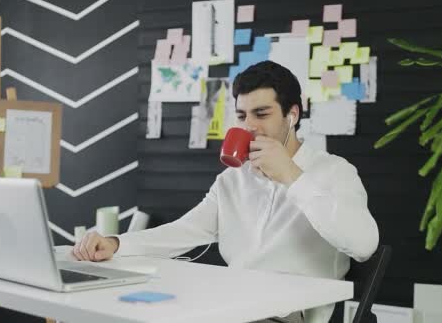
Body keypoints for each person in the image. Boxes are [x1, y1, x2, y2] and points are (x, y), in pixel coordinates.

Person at [72, 60, 379, 323]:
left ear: (293, 115)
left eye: (262, 114)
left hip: (286, 315)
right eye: (242, 116)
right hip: (231, 304)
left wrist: (291, 176)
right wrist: (115, 243)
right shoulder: (232, 180)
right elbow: (184, 231)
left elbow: (364, 245)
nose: (249, 127)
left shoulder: (334, 171)